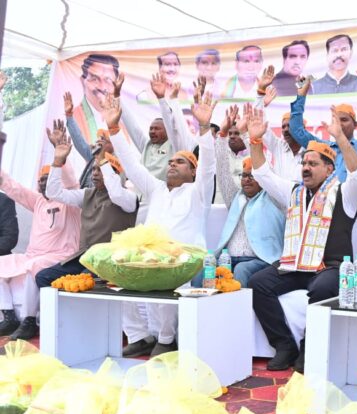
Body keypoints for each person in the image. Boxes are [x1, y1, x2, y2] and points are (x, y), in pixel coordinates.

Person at [247, 105, 357, 373]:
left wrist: (340, 139)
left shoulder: (345, 194)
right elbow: (262, 174)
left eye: (313, 164)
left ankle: (309, 347)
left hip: (329, 267)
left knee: (322, 289)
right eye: (304, 163)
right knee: (257, 283)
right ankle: (284, 345)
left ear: (329, 169)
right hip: (294, 266)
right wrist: (254, 141)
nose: (306, 168)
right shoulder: (293, 192)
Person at [103, 91, 216, 356]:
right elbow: (132, 166)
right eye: (171, 161)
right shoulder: (156, 189)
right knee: (117, 274)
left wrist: (204, 128)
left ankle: (166, 338)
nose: (172, 164)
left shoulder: (199, 192)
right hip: (150, 254)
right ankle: (139, 335)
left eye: (180, 162)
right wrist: (114, 129)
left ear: (193, 171)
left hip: (184, 258)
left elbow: (209, 166)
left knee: (165, 272)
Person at [36, 135, 138, 288]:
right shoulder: (86, 194)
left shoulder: (128, 198)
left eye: (100, 170)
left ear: (115, 175)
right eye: (94, 169)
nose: (95, 173)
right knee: (43, 277)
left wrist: (102, 160)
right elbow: (53, 193)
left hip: (111, 260)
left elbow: (116, 193)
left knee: (81, 282)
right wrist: (57, 161)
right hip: (85, 257)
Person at [0, 158, 81, 340]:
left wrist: (61, 159)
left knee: (33, 267)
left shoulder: (70, 201)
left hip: (61, 256)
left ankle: (29, 321)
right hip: (33, 255)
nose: (43, 183)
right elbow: (14, 188)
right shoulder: (37, 201)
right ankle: (9, 316)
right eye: (41, 180)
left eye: (48, 179)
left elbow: (71, 182)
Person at [215, 107, 286, 287]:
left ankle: (241, 307)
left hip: (261, 260)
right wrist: (222, 135)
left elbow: (265, 170)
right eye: (244, 176)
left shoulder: (273, 197)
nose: (247, 179)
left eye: (252, 176)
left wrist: (250, 137)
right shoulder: (235, 197)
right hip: (227, 259)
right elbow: (222, 169)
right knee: (202, 270)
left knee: (242, 270)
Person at [290, 65, 357, 198]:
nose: (339, 124)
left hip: (352, 209)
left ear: (355, 125)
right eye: (336, 120)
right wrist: (301, 95)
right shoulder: (323, 148)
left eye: (344, 120)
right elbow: (296, 129)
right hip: (321, 208)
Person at [73, 54, 120, 143]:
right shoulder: (72, 119)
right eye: (94, 79)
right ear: (82, 81)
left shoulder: (122, 119)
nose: (102, 87)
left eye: (108, 80)